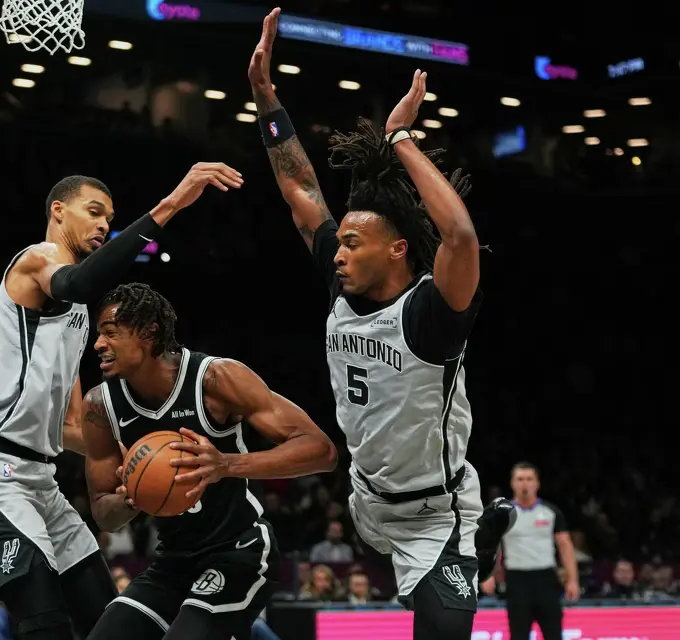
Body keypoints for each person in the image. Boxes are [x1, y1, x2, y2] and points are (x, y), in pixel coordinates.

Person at [247, 9, 515, 639]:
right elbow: (300, 188)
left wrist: (399, 138)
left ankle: (474, 545)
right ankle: (479, 549)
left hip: (434, 512)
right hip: (366, 500)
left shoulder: (429, 315)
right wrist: (266, 98)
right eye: (336, 243)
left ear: (395, 250)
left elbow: (460, 234)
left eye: (352, 243)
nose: (336, 252)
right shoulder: (340, 285)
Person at [0, 165, 243, 640]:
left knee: (106, 617)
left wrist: (139, 457)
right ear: (58, 211)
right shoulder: (35, 262)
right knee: (45, 624)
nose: (105, 225)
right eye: (94, 212)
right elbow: (77, 283)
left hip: (41, 478)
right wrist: (170, 204)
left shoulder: (80, 318)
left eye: (110, 217)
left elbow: (71, 425)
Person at [82, 283, 338, 640]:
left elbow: (321, 451)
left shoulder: (214, 379)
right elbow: (102, 514)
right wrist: (131, 497)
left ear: (148, 332)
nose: (98, 344)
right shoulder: (99, 406)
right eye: (98, 334)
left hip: (240, 551)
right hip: (173, 560)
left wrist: (226, 464)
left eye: (110, 332)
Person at [481, 462, 577, 640]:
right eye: (520, 479)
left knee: (553, 634)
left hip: (546, 579)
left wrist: (572, 580)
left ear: (537, 483)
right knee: (518, 634)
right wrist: (488, 576)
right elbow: (489, 544)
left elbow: (565, 546)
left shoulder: (551, 512)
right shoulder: (503, 514)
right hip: (517, 582)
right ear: (512, 483)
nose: (525, 484)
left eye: (529, 479)